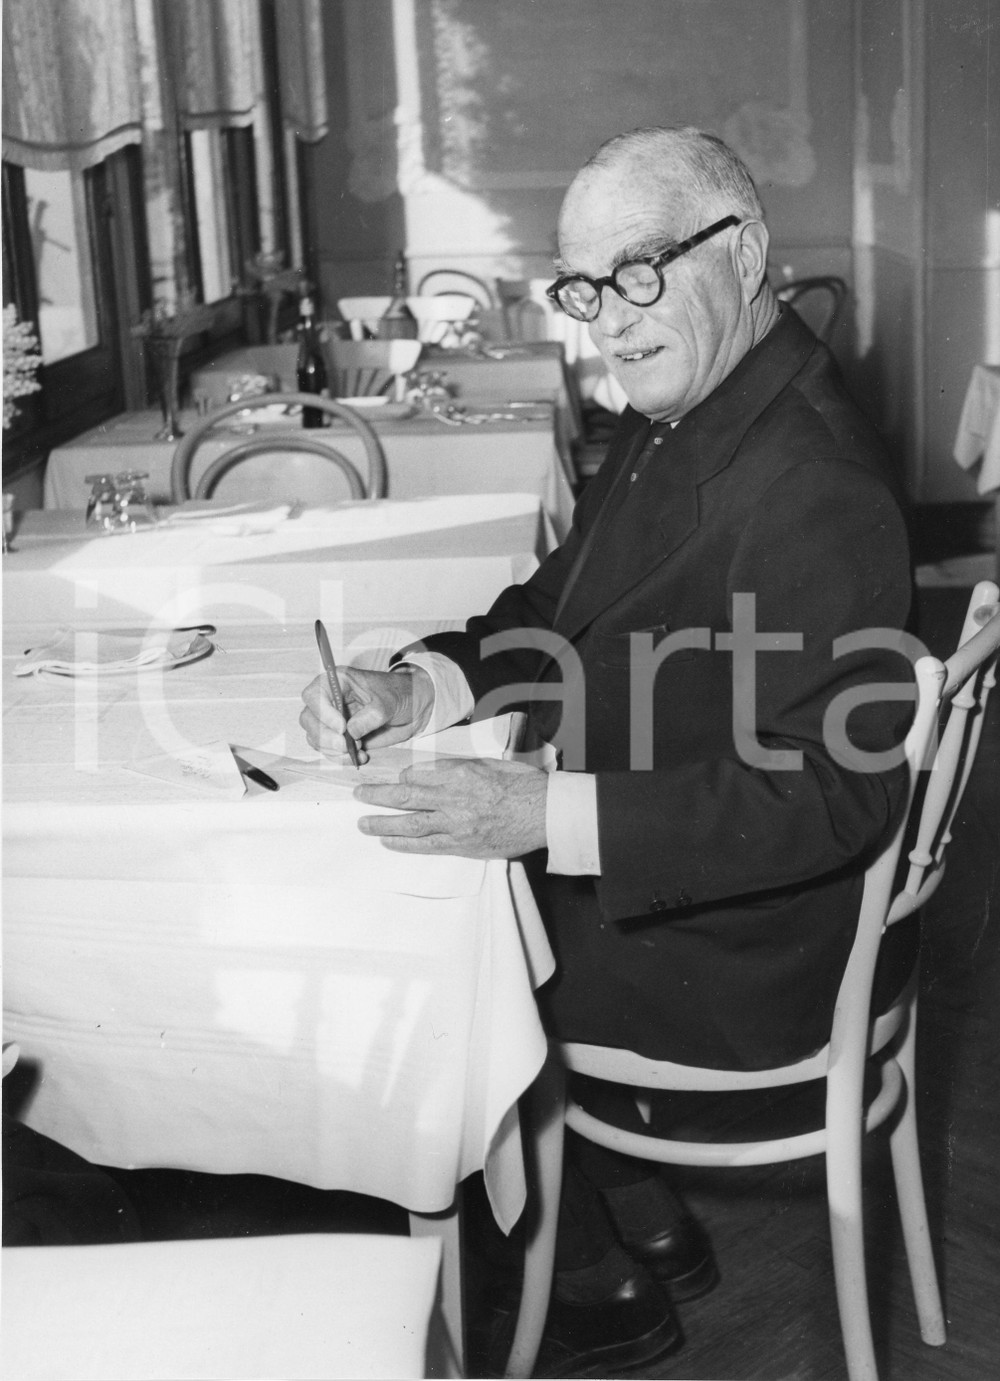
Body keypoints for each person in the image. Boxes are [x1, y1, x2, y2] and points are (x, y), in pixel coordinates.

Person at [301, 127, 914, 1375]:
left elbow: (840, 789)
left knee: (398, 941)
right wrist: (416, 682)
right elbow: (556, 613)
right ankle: (624, 1202)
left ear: (740, 255)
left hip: (737, 944)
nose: (603, 321)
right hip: (682, 888)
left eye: (638, 271)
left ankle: (573, 1265)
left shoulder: (810, 478)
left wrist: (548, 816)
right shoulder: (686, 408)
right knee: (418, 866)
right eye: (581, 285)